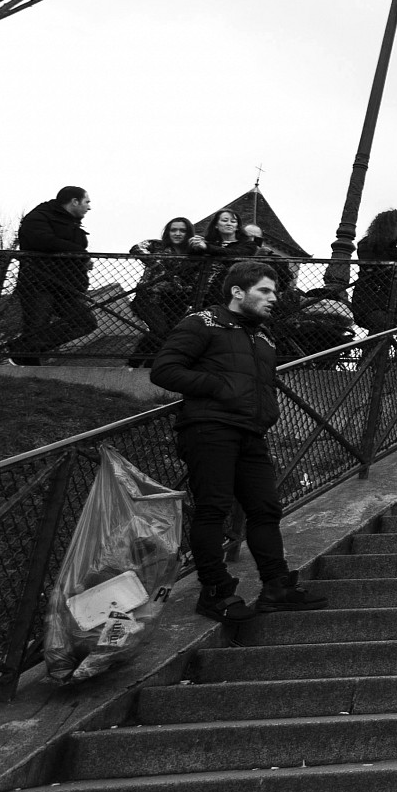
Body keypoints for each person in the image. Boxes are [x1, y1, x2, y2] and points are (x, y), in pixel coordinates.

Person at [149, 260, 328, 622]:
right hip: (209, 428)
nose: (273, 298)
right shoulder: (203, 322)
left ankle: (276, 587)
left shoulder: (262, 337)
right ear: (237, 291)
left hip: (251, 433)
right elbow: (164, 370)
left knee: (265, 510)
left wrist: (267, 411)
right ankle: (215, 591)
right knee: (213, 509)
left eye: (275, 292)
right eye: (264, 290)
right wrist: (219, 387)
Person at [6, 185, 95, 363]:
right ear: (74, 201)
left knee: (85, 322)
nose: (89, 207)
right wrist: (81, 254)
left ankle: (21, 348)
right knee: (37, 327)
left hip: (66, 287)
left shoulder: (71, 223)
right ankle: (27, 360)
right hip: (39, 283)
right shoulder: (39, 217)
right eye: (87, 202)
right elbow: (44, 241)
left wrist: (81, 261)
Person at [127, 216, 200, 366]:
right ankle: (133, 364)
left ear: (189, 233)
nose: (177, 233)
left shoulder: (194, 253)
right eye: (174, 230)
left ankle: (149, 366)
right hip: (149, 296)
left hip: (176, 299)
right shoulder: (156, 245)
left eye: (182, 230)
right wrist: (156, 264)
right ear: (168, 232)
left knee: (167, 334)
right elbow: (137, 248)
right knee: (160, 329)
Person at [351, 208, 397, 336]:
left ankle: (372, 356)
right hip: (368, 300)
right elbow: (368, 260)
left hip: (391, 304)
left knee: (385, 335)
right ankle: (370, 356)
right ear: (391, 225)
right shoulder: (368, 243)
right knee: (380, 327)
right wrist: (395, 255)